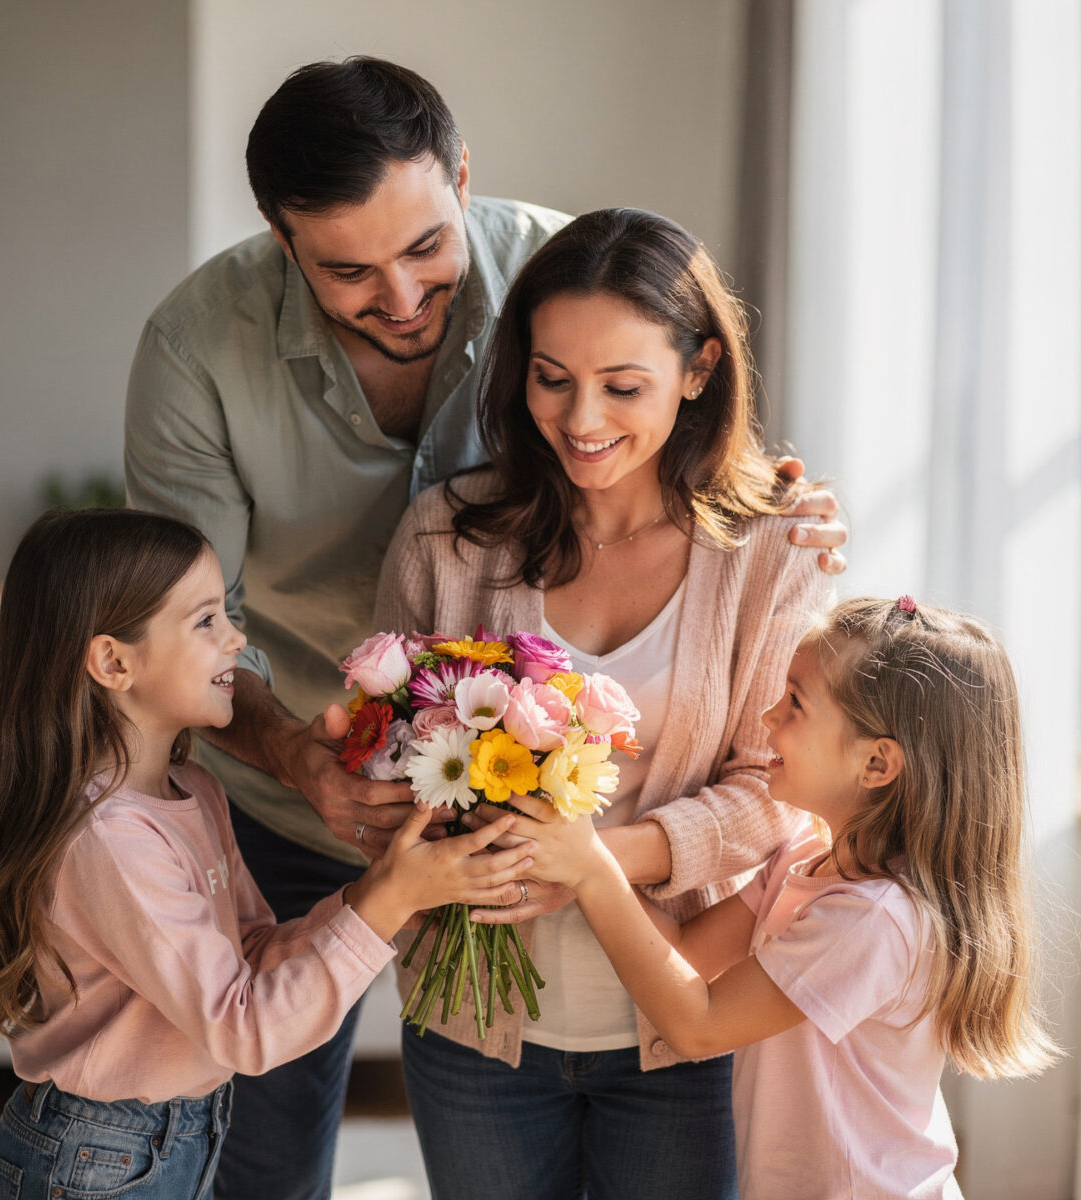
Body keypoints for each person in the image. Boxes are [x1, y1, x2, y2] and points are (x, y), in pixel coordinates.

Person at [124, 57, 847, 1199]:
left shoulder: (562, 273)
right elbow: (176, 625)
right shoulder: (199, 357)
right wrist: (311, 756)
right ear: (279, 238)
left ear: (463, 180)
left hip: (651, 984)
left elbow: (668, 367)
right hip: (282, 775)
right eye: (350, 272)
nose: (403, 299)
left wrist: (771, 497)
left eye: (426, 250)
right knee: (260, 1142)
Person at [374, 207, 834, 1199]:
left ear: (700, 369)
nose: (581, 421)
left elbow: (784, 788)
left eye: (624, 386)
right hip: (474, 1035)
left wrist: (593, 866)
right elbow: (389, 760)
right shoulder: (445, 539)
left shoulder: (770, 555)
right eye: (552, 379)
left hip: (688, 1028)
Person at [0, 508, 532, 1200]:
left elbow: (249, 952)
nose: (237, 638)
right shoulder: (108, 839)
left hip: (168, 1141)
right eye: (205, 622)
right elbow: (243, 1027)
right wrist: (386, 903)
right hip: (91, 1162)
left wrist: (382, 898)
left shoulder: (193, 790)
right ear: (113, 661)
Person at [511, 595, 1059, 1199]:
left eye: (794, 703)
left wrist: (591, 867)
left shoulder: (871, 919)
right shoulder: (806, 856)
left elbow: (698, 1025)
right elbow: (687, 952)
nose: (767, 717)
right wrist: (578, 841)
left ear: (877, 763)